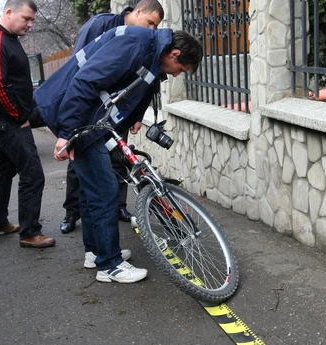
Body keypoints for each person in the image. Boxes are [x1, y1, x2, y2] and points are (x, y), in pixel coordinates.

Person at [33, 27, 202, 283]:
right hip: (81, 121)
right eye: (181, 69)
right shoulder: (136, 45)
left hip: (90, 122)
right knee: (104, 190)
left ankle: (96, 251)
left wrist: (132, 119)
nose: (177, 75)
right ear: (175, 54)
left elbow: (135, 90)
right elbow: (86, 81)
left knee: (93, 192)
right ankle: (110, 264)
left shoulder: (152, 54)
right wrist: (67, 133)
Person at [60, 0, 164, 235]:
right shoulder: (100, 25)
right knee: (79, 163)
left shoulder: (145, 41)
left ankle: (118, 207)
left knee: (117, 158)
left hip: (118, 112)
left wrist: (138, 114)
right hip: (90, 110)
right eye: (149, 23)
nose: (151, 30)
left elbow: (147, 81)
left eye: (156, 26)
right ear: (137, 12)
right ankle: (72, 211)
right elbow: (80, 67)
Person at [0, 0, 55, 248]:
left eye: (32, 20)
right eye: (26, 19)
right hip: (7, 121)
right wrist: (19, 117)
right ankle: (30, 233)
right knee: (32, 173)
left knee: (5, 169)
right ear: (9, 12)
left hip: (4, 120)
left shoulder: (7, 38)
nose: (30, 24)